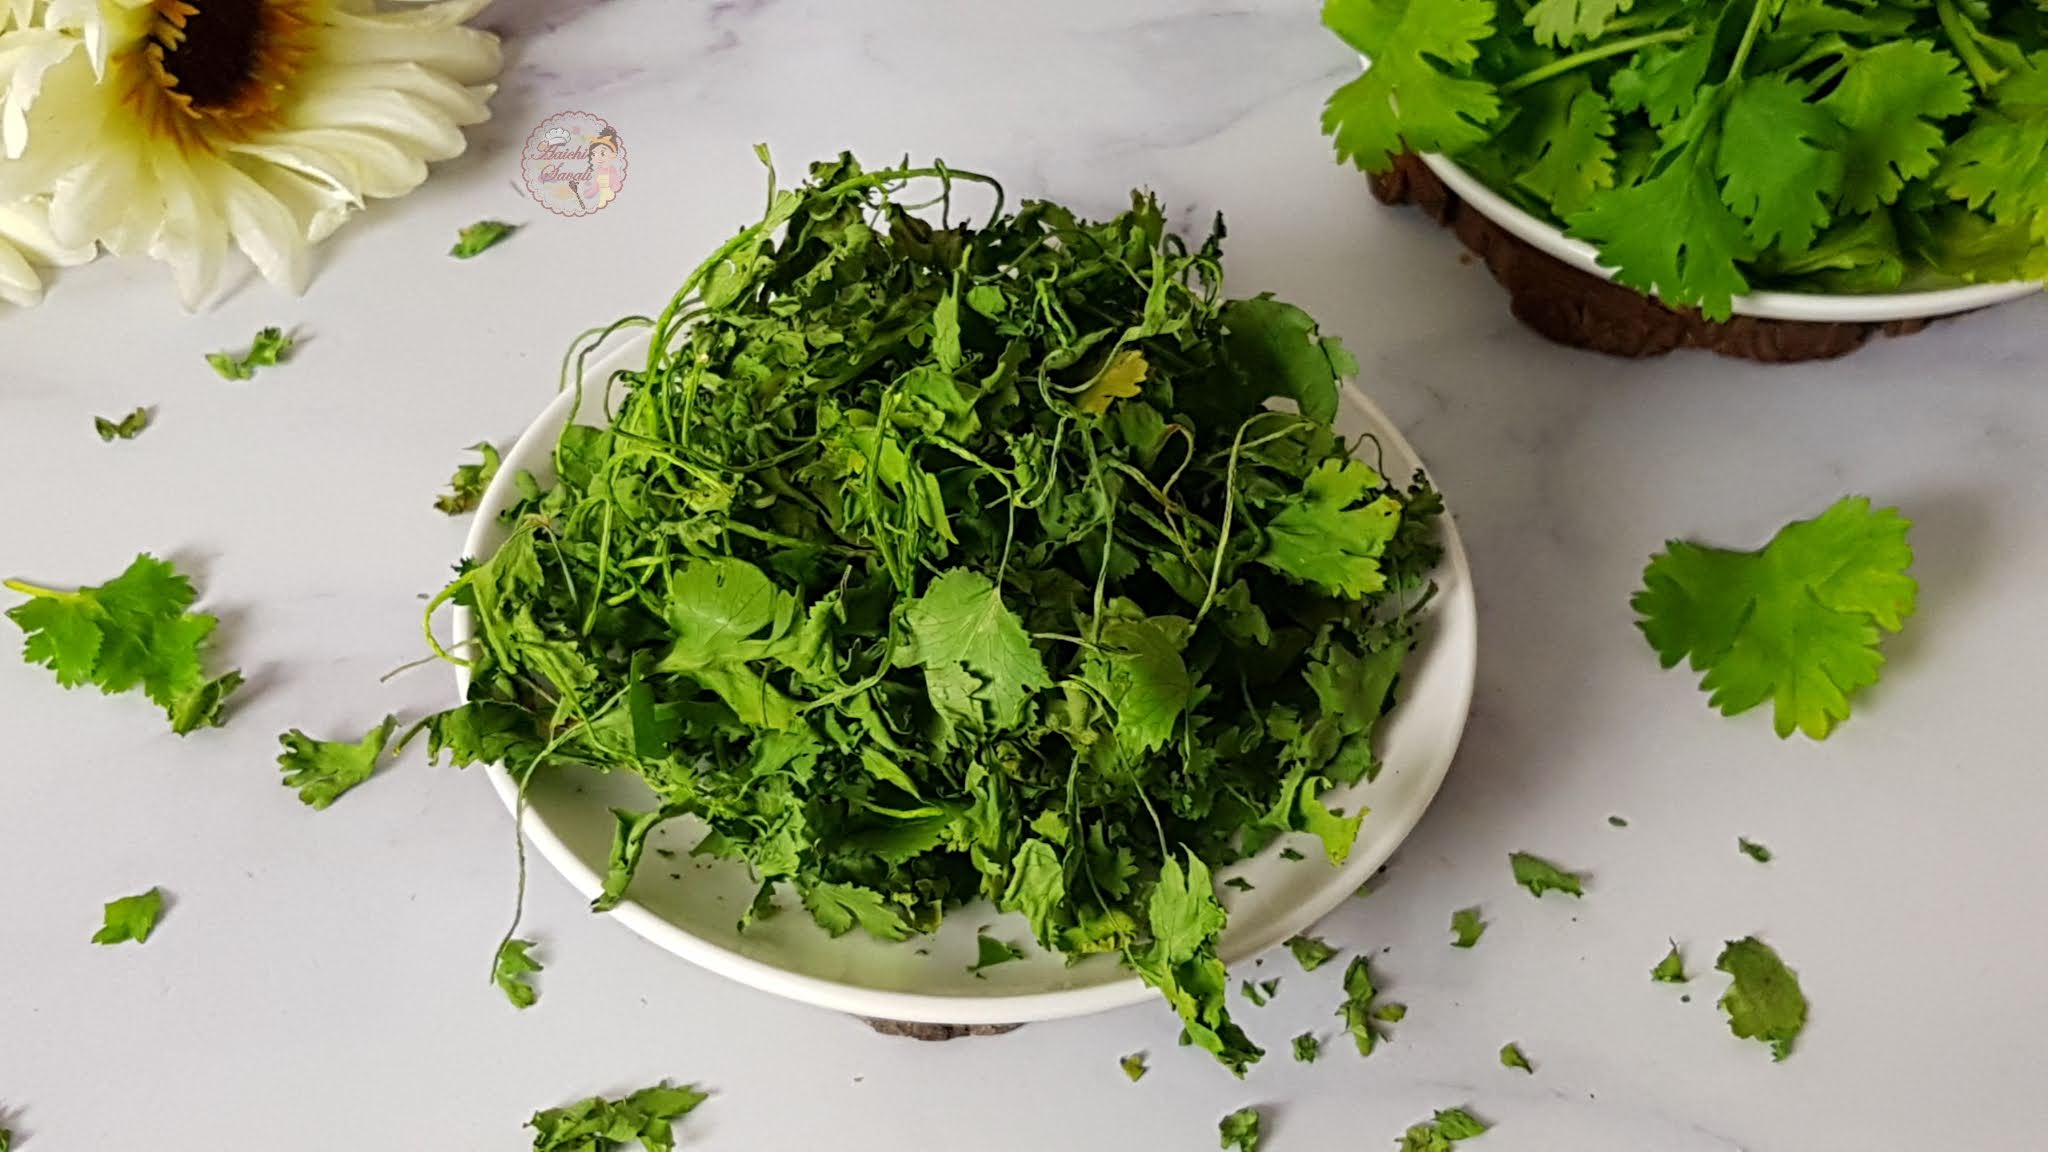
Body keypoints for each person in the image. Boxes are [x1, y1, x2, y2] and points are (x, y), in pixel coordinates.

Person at [581, 126, 623, 211]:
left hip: (612, 199)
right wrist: (585, 194)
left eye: (603, 153)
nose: (598, 158)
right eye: (594, 154)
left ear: (613, 154)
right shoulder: (599, 170)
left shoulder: (612, 171)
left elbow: (616, 187)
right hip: (602, 199)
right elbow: (596, 187)